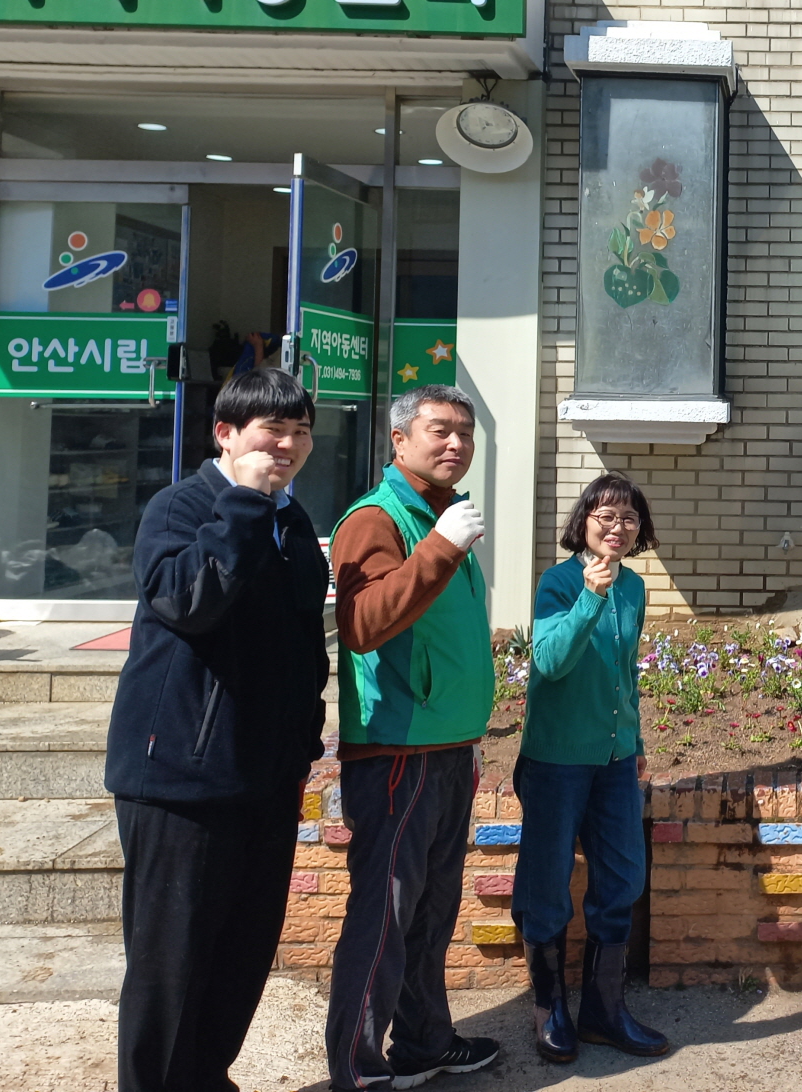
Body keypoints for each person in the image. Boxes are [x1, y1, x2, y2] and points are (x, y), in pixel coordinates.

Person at [105, 369, 331, 1092]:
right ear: (226, 434)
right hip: (181, 777)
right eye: (272, 431)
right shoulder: (182, 506)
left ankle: (205, 1078)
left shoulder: (293, 521)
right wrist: (243, 504)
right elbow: (188, 601)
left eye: (300, 432)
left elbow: (306, 642)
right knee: (171, 963)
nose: (287, 446)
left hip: (266, 778)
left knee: (242, 953)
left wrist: (303, 742)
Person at [324, 385, 500, 1090]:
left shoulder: (441, 514)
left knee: (432, 913)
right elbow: (362, 624)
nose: (456, 443)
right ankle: (358, 1070)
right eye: (440, 430)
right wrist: (440, 547)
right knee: (385, 918)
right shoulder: (377, 518)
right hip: (397, 752)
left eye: (466, 433)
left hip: (447, 745)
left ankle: (424, 1043)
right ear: (399, 440)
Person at [514, 472, 667, 1063]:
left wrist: (635, 738)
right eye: (605, 515)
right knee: (547, 881)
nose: (617, 527)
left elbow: (625, 672)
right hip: (556, 759)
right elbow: (550, 662)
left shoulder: (635, 587)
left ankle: (604, 1010)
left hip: (615, 758)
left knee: (623, 876)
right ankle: (548, 1008)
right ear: (583, 523)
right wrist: (590, 597)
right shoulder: (558, 582)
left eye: (629, 517)